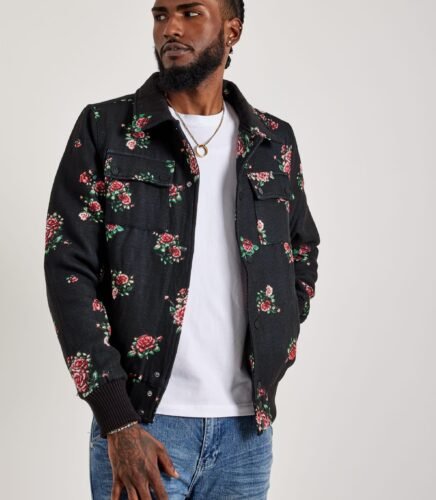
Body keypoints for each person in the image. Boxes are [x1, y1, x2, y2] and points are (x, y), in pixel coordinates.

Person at [44, 1, 320, 498]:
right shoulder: (106, 129)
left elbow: (301, 251)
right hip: (142, 424)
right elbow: (68, 269)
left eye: (191, 13)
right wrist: (116, 419)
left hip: (246, 433)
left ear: (232, 30)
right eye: (161, 15)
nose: (170, 28)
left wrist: (277, 334)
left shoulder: (273, 142)